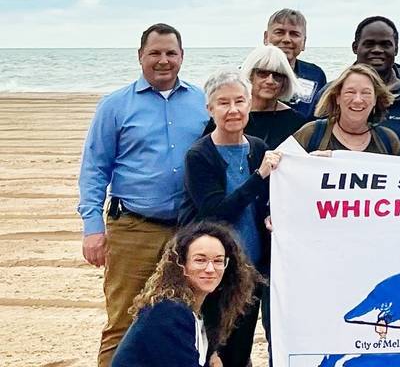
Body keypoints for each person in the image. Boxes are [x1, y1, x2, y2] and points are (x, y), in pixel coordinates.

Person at [77, 23, 209, 366]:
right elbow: (94, 169)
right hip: (134, 229)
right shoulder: (115, 106)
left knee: (188, 319)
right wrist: (93, 227)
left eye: (170, 53)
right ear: (140, 57)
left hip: (188, 231)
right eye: (155, 53)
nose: (163, 60)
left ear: (182, 57)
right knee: (124, 320)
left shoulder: (202, 102)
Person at [178, 69, 282, 367]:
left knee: (240, 353)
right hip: (213, 273)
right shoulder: (199, 155)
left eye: (240, 101)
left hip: (251, 271)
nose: (233, 110)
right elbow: (215, 213)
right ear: (210, 109)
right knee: (212, 352)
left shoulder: (258, 148)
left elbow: (264, 203)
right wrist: (259, 176)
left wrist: (271, 216)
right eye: (223, 103)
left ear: (250, 104)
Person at [111, 222, 260, 367]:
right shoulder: (170, 311)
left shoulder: (200, 311)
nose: (210, 268)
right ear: (181, 264)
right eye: (200, 260)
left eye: (218, 261)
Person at [344, 16, 400, 153]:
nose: (377, 50)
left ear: (396, 49)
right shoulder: (332, 94)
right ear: (355, 47)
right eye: (369, 44)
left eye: (385, 44)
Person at [202, 45, 308, 150]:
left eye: (277, 75)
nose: (270, 81)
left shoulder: (296, 122)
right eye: (263, 73)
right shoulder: (229, 115)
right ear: (250, 75)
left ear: (285, 81)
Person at [294, 64, 400, 155]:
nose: (357, 100)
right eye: (350, 92)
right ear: (338, 97)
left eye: (366, 93)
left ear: (375, 99)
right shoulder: (311, 133)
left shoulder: (389, 141)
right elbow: (283, 167)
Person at [263, 8, 326, 118]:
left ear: (304, 42)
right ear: (266, 38)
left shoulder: (316, 75)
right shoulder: (247, 72)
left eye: (294, 34)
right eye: (279, 32)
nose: (286, 39)